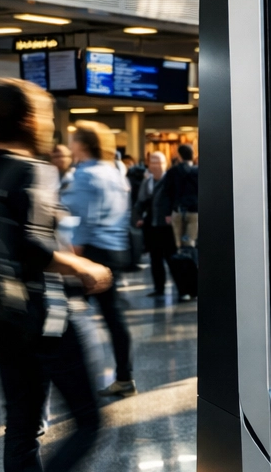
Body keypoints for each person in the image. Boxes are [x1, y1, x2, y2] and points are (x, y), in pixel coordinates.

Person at [0, 79, 112, 472]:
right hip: (44, 320)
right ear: (30, 119)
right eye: (46, 115)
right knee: (89, 421)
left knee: (22, 430)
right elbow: (31, 248)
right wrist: (83, 267)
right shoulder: (32, 169)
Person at [64, 122, 137, 398]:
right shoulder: (115, 173)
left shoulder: (86, 174)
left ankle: (73, 380)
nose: (70, 145)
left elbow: (84, 221)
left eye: (73, 140)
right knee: (113, 317)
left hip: (91, 252)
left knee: (67, 314)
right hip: (114, 250)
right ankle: (125, 376)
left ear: (83, 144)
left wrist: (73, 257)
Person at [133, 151, 173, 296]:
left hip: (168, 226)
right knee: (155, 258)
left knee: (172, 258)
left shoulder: (171, 180)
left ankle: (184, 289)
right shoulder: (147, 182)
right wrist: (138, 217)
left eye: (159, 162)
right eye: (153, 162)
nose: (156, 165)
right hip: (152, 226)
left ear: (166, 164)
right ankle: (159, 288)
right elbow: (140, 203)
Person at [160, 143, 199, 252]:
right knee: (190, 242)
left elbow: (166, 193)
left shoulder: (172, 172)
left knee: (178, 243)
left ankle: (181, 257)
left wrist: (167, 213)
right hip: (194, 211)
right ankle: (190, 258)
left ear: (179, 156)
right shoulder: (198, 171)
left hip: (177, 210)